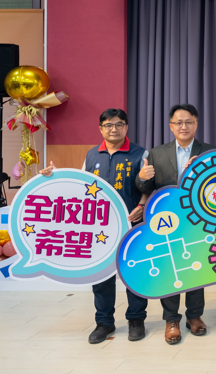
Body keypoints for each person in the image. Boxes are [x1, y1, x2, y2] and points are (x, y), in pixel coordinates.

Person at [40, 109, 149, 344]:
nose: (113, 129)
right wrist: (51, 177)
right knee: (100, 276)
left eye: (119, 124)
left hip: (132, 224)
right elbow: (79, 188)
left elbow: (149, 185)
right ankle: (104, 322)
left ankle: (136, 319)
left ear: (126, 127)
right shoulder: (91, 155)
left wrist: (142, 205)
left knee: (135, 272)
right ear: (100, 129)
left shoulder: (140, 154)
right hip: (100, 228)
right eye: (108, 125)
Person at [136, 103, 214, 345]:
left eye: (189, 122)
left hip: (199, 219)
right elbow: (146, 187)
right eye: (178, 122)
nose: (184, 126)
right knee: (169, 267)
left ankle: (195, 316)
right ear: (171, 126)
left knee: (196, 265)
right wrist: (141, 178)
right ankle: (171, 320)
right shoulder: (156, 153)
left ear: (196, 124)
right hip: (166, 220)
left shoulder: (209, 152)